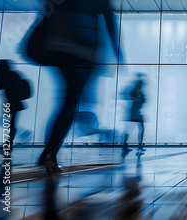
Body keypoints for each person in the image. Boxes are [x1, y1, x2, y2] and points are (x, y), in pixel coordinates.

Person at [33, 0, 120, 176]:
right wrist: (116, 50)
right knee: (72, 100)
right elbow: (108, 18)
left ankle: (49, 150)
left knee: (69, 99)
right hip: (82, 49)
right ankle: (50, 152)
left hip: (60, 45)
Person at [0, 60, 29, 152]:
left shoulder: (5, 76)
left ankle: (9, 143)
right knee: (11, 123)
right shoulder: (14, 74)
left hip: (10, 103)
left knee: (7, 123)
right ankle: (9, 143)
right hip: (16, 102)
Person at [123, 74, 147, 154]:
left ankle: (132, 145)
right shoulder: (135, 91)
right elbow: (137, 99)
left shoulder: (138, 91)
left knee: (139, 129)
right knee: (134, 129)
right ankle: (128, 146)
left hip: (136, 112)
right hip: (134, 113)